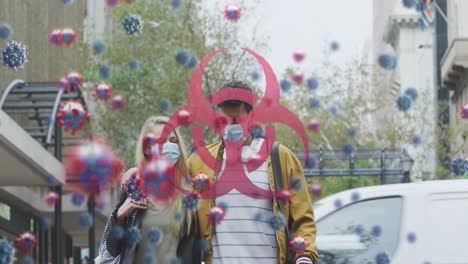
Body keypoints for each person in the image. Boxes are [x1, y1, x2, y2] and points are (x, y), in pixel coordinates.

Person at [187, 81, 319, 264]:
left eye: (237, 118)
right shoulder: (199, 162)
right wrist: (137, 174)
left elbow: (303, 219)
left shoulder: (280, 158)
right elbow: (174, 199)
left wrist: (304, 257)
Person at [98, 116, 201, 264]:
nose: (168, 146)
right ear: (147, 148)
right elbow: (111, 250)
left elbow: (193, 254)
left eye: (173, 141)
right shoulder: (134, 189)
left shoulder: (187, 195)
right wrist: (119, 218)